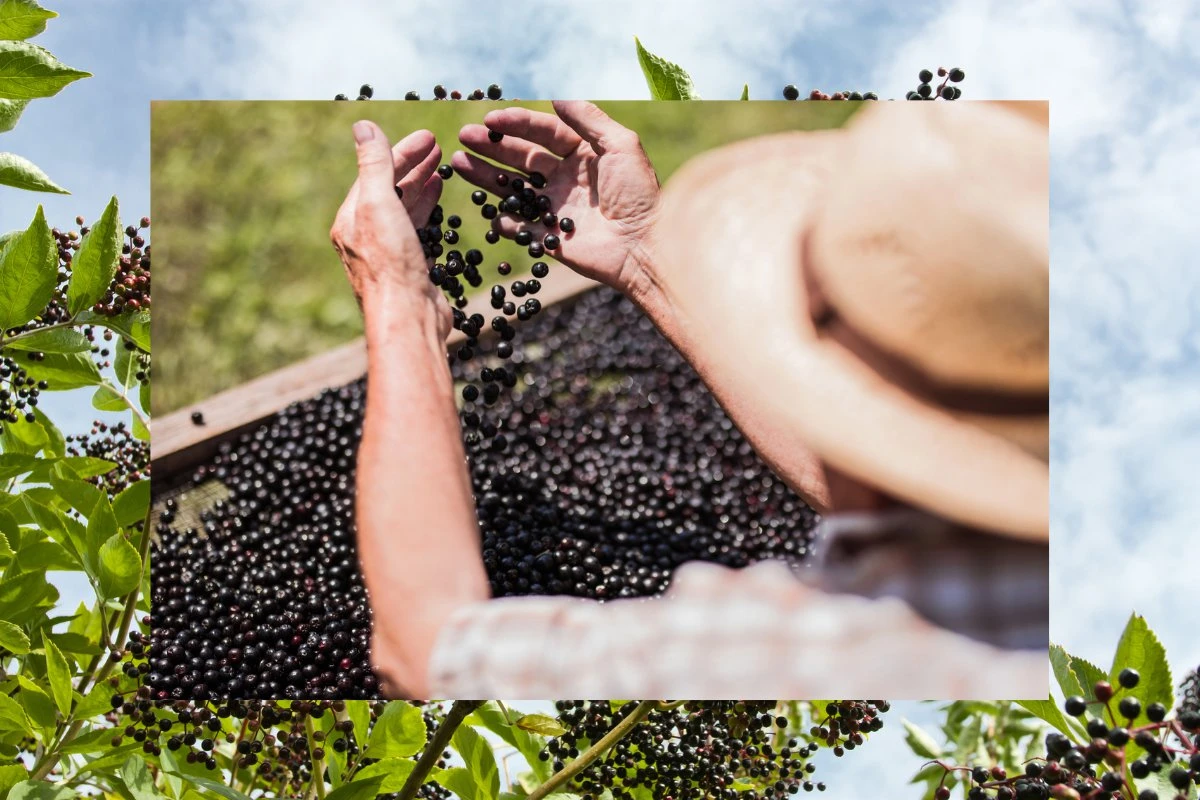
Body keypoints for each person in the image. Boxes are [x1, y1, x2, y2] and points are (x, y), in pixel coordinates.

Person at [329, 99, 1049, 699]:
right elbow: (904, 483)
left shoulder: (833, 648)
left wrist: (398, 296)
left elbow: (428, 645)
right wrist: (644, 257)